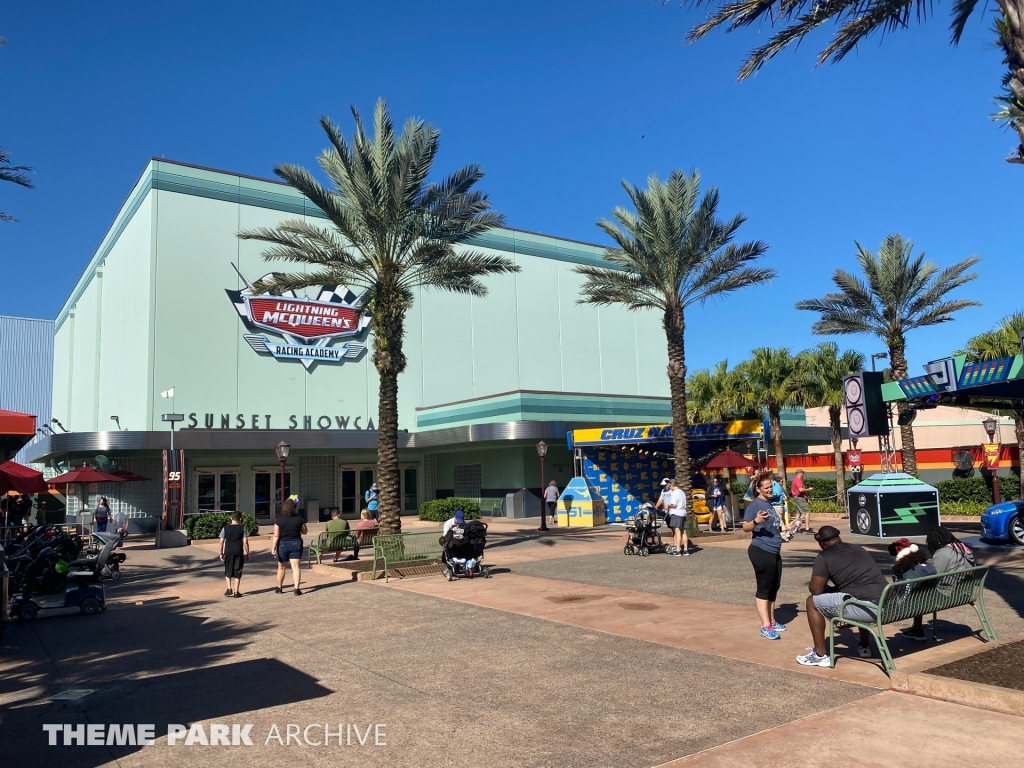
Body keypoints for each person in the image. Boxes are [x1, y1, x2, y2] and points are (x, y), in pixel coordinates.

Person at [796, 526, 890, 667]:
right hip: (889, 605)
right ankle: (864, 646)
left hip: (869, 610)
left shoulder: (823, 557)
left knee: (812, 603)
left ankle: (820, 655)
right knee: (857, 595)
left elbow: (816, 590)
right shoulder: (858, 549)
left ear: (821, 543)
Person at [743, 475, 786, 639]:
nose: (770, 490)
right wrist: (756, 520)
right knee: (764, 587)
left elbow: (772, 527)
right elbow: (746, 527)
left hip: (774, 550)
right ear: (758, 489)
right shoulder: (755, 505)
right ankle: (765, 626)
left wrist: (787, 528)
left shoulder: (769, 504)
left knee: (774, 586)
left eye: (771, 487)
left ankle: (772, 620)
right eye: (766, 487)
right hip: (761, 550)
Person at [887, 538, 937, 641]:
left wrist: (895, 573)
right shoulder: (929, 567)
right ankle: (917, 629)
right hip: (932, 600)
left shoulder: (910, 575)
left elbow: (902, 598)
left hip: (914, 604)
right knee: (918, 597)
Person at [271, 498, 308, 595]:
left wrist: (273, 547)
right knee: (296, 567)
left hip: (283, 544)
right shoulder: (299, 519)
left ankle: (279, 588)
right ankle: (296, 589)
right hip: (296, 543)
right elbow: (305, 532)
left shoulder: (279, 520)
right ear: (294, 508)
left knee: (281, 568)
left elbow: (276, 535)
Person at [219, 511, 250, 597]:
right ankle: (236, 591)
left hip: (228, 552)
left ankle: (229, 589)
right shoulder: (243, 528)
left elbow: (221, 542)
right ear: (240, 519)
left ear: (230, 519)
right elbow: (245, 542)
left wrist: (221, 553)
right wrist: (248, 552)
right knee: (238, 570)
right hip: (238, 551)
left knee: (228, 570)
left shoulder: (225, 528)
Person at [666, 478, 689, 557]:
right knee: (683, 532)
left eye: (669, 486)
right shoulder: (682, 492)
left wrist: (668, 506)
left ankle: (678, 550)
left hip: (676, 513)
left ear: (672, 485)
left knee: (677, 531)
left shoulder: (674, 493)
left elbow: (674, 505)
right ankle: (686, 550)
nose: (669, 487)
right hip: (683, 513)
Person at [789, 469, 810, 536]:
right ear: (800, 473)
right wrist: (809, 489)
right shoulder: (798, 480)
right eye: (803, 473)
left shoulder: (795, 479)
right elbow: (800, 490)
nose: (803, 475)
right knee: (807, 512)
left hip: (797, 497)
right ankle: (807, 529)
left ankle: (795, 528)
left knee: (798, 512)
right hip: (799, 497)